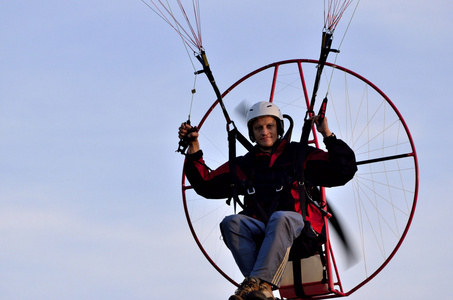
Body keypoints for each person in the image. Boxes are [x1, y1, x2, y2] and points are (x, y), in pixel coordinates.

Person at [178, 101, 357, 300]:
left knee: (280, 218)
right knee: (232, 223)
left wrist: (327, 134)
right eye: (258, 128)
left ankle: (255, 284)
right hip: (263, 233)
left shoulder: (300, 154)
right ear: (252, 133)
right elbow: (206, 185)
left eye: (269, 126)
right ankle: (261, 289)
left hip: (301, 233)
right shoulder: (245, 164)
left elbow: (343, 170)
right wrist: (193, 145)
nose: (264, 132)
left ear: (278, 128)